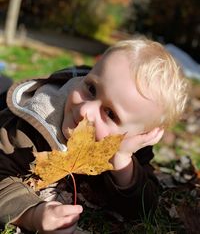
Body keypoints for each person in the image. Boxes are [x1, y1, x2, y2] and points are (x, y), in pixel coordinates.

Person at [0, 38, 188, 233]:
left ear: (142, 135)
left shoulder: (131, 147)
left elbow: (143, 207)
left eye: (110, 114)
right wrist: (32, 214)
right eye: (91, 89)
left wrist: (121, 159)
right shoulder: (34, 127)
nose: (85, 111)